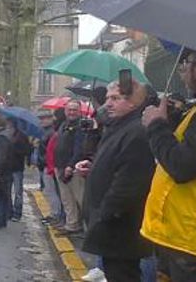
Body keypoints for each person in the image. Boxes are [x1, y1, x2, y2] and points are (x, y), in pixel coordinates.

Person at [81, 79, 156, 282]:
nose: (108, 104)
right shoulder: (118, 127)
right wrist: (94, 167)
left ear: (133, 102)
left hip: (120, 227)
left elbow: (129, 184)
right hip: (113, 225)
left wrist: (104, 215)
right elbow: (116, 163)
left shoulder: (137, 132)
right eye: (107, 98)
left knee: (123, 275)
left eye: (115, 98)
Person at [141, 47, 196, 281]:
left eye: (188, 64)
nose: (183, 71)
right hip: (176, 235)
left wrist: (156, 126)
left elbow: (182, 167)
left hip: (187, 238)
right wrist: (170, 121)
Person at [55, 99, 89, 235]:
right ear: (65, 111)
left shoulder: (81, 127)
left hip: (74, 168)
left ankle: (88, 228)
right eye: (69, 109)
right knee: (67, 199)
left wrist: (70, 165)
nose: (72, 112)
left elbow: (79, 149)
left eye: (75, 109)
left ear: (79, 111)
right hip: (60, 166)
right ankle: (71, 224)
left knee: (80, 198)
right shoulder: (63, 125)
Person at [9, 127, 32, 222]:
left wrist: (15, 149)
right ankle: (9, 212)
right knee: (7, 191)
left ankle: (17, 213)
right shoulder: (5, 134)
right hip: (7, 166)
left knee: (18, 192)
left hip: (17, 166)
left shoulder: (22, 136)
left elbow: (27, 151)